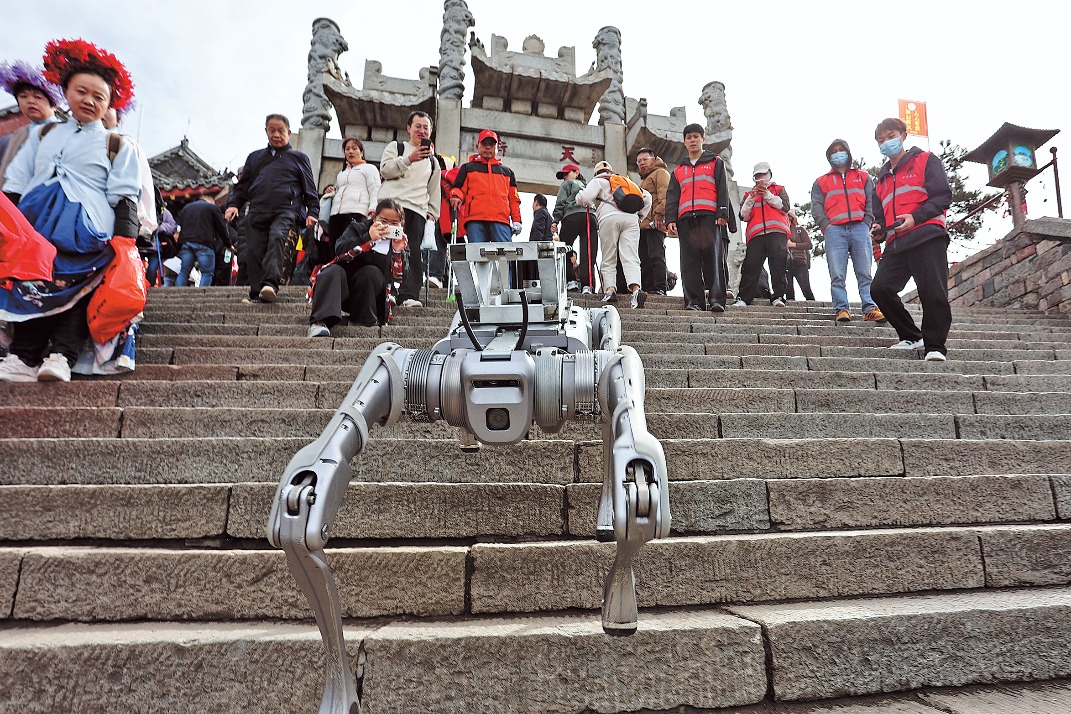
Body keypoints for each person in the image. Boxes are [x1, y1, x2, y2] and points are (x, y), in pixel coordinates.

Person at [0, 39, 141, 382]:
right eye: (82, 91)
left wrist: (126, 241)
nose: (90, 101)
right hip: (34, 228)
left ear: (110, 103)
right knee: (33, 288)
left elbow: (125, 195)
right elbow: (17, 181)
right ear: (65, 92)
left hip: (90, 229)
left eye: (99, 96)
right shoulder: (43, 134)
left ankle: (62, 355)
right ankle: (23, 356)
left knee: (80, 292)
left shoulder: (118, 144)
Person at [869, 117, 954, 361]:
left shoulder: (926, 160)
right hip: (896, 242)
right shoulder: (881, 178)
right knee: (880, 288)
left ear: (903, 135)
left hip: (927, 234)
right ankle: (911, 336)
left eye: (890, 136)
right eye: (881, 141)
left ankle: (935, 346)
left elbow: (942, 197)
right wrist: (879, 227)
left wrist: (916, 217)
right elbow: (880, 214)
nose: (886, 143)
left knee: (933, 292)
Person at [225, 113, 318, 304]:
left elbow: (310, 187)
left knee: (277, 237)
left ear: (289, 132)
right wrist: (233, 204)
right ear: (266, 131)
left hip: (286, 208)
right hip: (258, 208)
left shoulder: (299, 158)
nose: (276, 134)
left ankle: (270, 284)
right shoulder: (255, 157)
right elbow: (242, 187)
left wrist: (312, 211)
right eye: (272, 130)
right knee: (253, 249)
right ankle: (257, 292)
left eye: (280, 130)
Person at [307, 198, 408, 335]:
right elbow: (340, 251)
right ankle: (320, 322)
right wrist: (368, 238)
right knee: (333, 270)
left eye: (394, 223)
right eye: (383, 221)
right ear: (374, 218)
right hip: (341, 288)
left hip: (370, 298)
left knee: (371, 272)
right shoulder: (358, 228)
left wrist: (397, 252)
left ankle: (363, 321)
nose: (387, 226)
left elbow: (400, 280)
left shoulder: (400, 243)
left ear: (401, 225)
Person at [810, 139, 884, 323]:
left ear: (848, 153)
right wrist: (826, 225)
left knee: (865, 271)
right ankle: (841, 308)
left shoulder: (863, 177)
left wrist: (867, 221)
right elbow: (816, 207)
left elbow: (871, 201)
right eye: (834, 151)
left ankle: (870, 307)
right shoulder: (821, 182)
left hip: (860, 227)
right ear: (829, 157)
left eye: (841, 150)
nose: (838, 153)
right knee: (837, 273)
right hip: (834, 230)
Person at [665, 123, 737, 312]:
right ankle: (694, 302)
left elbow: (723, 189)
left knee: (714, 259)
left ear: (703, 139)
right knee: (689, 263)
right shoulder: (679, 169)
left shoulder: (715, 161)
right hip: (686, 218)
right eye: (689, 137)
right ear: (684, 142)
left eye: (696, 136)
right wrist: (671, 219)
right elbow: (672, 196)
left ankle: (716, 300)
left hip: (710, 216)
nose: (692, 140)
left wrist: (723, 213)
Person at [378, 110, 441, 308]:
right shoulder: (396, 147)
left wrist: (433, 213)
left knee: (412, 253)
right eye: (418, 126)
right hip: (391, 206)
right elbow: (385, 170)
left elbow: (434, 190)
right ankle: (386, 290)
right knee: (386, 250)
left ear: (430, 132)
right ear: (409, 128)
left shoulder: (433, 161)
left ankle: (408, 295)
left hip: (417, 210)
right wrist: (409, 159)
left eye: (426, 127)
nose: (422, 131)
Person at [575, 161, 651, 309]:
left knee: (609, 257)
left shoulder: (599, 181)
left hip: (608, 218)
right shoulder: (625, 181)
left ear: (597, 173)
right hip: (631, 219)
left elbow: (584, 198)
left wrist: (580, 194)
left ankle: (610, 290)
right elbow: (647, 197)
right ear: (611, 171)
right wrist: (639, 217)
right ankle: (636, 290)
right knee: (631, 257)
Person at [449, 129, 521, 244]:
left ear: (497, 148)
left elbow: (514, 199)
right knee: (478, 259)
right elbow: (458, 188)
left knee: (504, 258)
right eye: (484, 144)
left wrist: (517, 220)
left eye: (491, 144)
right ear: (478, 146)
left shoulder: (507, 172)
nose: (488, 147)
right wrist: (456, 196)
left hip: (501, 221)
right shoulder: (467, 168)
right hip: (475, 220)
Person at [734, 162, 791, 307]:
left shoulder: (779, 189)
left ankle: (778, 296)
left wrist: (767, 194)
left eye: (763, 175)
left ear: (770, 174)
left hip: (777, 232)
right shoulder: (748, 194)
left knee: (778, 265)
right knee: (751, 267)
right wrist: (752, 197)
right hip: (756, 234)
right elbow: (743, 216)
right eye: (758, 176)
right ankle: (744, 298)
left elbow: (785, 207)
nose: (761, 178)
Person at [0, 60, 63, 190]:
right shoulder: (14, 136)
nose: (30, 101)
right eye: (23, 96)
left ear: (54, 104)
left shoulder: (65, 132)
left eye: (37, 97)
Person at [323, 137, 380, 260]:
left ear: (362, 152)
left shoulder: (369, 168)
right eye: (347, 149)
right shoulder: (342, 173)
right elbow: (337, 190)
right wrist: (330, 190)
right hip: (336, 215)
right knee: (334, 249)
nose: (350, 152)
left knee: (351, 248)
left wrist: (373, 208)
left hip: (356, 214)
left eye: (354, 148)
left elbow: (375, 189)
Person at [553, 163, 599, 294]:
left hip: (571, 217)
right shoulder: (590, 187)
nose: (565, 177)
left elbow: (560, 203)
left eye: (567, 174)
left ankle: (571, 281)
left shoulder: (567, 184)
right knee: (588, 253)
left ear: (576, 172)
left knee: (564, 248)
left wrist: (556, 220)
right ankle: (587, 285)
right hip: (590, 217)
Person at [635, 148, 671, 295]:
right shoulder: (644, 180)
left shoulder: (660, 173)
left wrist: (659, 215)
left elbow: (665, 195)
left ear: (654, 159)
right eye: (639, 161)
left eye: (645, 159)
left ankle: (660, 287)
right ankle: (648, 288)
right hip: (643, 226)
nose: (642, 163)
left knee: (656, 256)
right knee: (645, 258)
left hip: (655, 223)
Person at [175, 194, 229, 287]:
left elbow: (180, 226)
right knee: (207, 272)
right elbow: (221, 228)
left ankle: (177, 293)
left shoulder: (186, 208)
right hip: (204, 243)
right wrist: (228, 243)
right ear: (211, 201)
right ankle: (201, 296)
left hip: (186, 243)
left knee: (184, 271)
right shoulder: (212, 208)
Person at [786, 214, 815, 301]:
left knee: (806, 288)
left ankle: (812, 307)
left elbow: (809, 244)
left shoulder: (799, 230)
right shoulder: (780, 231)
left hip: (800, 262)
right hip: (785, 262)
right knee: (788, 291)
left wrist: (793, 245)